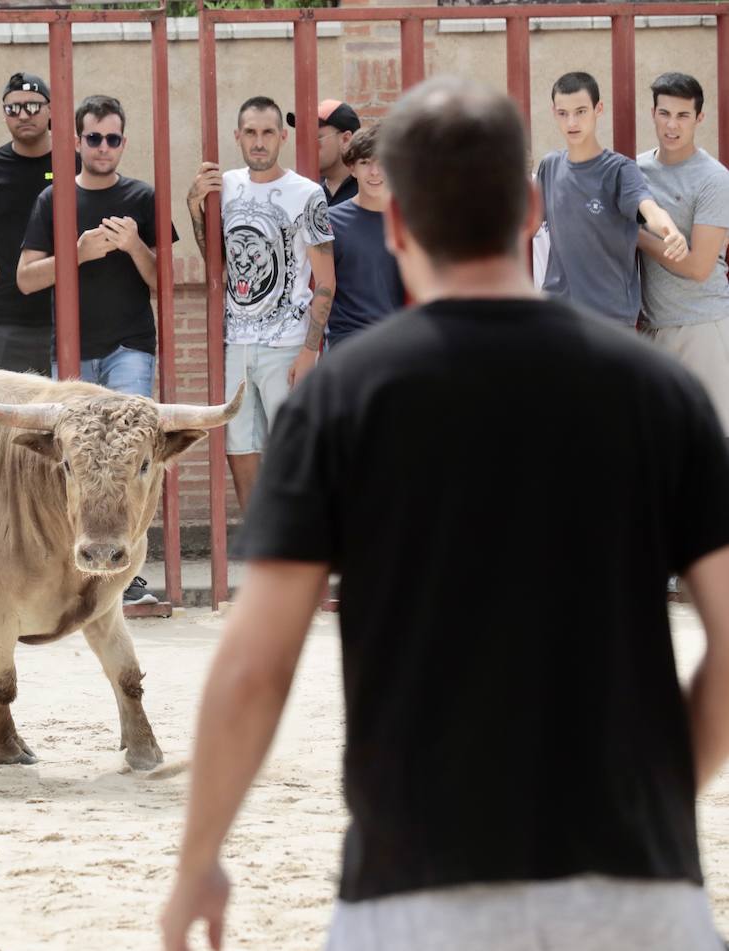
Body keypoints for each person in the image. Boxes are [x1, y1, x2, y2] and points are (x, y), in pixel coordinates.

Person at [162, 76, 729, 951]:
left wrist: (198, 857)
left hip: (416, 888)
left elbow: (254, 665)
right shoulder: (659, 392)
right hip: (639, 889)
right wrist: (661, 785)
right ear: (533, 208)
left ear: (394, 226)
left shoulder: (343, 401)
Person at [17, 94, 174, 607]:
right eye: (93, 138)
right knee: (81, 463)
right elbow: (25, 280)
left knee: (131, 460)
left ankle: (130, 576)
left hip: (131, 345)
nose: (103, 147)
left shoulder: (145, 198)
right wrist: (78, 253)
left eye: (112, 139)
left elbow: (163, 281)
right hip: (73, 350)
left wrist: (134, 246)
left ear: (123, 142)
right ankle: (77, 570)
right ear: (77, 141)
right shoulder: (54, 200)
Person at [185, 95, 334, 512]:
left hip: (286, 345)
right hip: (237, 343)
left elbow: (326, 281)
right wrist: (196, 208)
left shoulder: (307, 194)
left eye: (268, 132)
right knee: (240, 447)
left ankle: (299, 551)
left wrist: (308, 351)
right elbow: (220, 265)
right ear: (237, 136)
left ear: (282, 137)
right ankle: (259, 546)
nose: (259, 141)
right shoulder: (225, 186)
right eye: (250, 132)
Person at [537, 71, 687, 326]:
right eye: (563, 113)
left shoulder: (618, 170)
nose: (571, 121)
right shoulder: (549, 166)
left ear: (599, 109)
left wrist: (670, 231)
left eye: (581, 111)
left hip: (610, 319)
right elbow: (522, 222)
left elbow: (647, 207)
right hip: (558, 317)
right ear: (554, 112)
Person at [636, 72, 729, 432]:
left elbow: (698, 267)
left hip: (702, 325)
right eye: (664, 114)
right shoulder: (635, 170)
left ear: (699, 118)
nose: (671, 125)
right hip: (654, 328)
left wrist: (636, 237)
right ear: (653, 113)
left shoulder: (713, 179)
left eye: (682, 116)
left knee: (715, 443)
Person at [0, 72, 76, 375]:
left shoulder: (74, 164)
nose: (23, 115)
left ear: (51, 110)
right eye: (12, 108)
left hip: (68, 315)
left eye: (33, 106)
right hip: (5, 316)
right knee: (2, 417)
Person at [324, 123, 405, 350]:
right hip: (348, 346)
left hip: (399, 344)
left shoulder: (411, 222)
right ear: (352, 168)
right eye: (365, 163)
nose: (375, 172)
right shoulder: (330, 221)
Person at [286, 99, 361, 207]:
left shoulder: (370, 187)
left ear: (345, 139)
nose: (307, 146)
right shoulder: (301, 189)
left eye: (315, 138)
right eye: (304, 138)